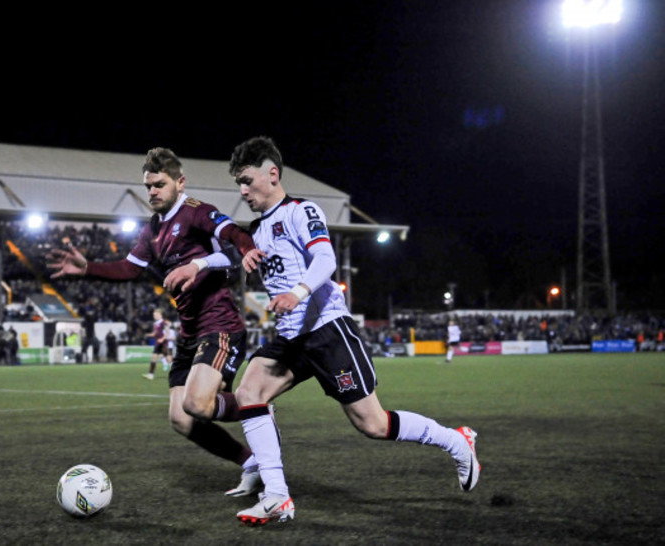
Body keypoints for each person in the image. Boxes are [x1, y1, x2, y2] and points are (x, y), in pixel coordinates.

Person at [228, 136, 481, 526]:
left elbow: (325, 258)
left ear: (272, 174)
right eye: (238, 184)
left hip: (328, 329)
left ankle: (456, 440)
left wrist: (298, 292)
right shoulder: (257, 230)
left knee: (373, 424)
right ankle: (277, 495)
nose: (243, 191)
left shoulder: (300, 210)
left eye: (247, 180)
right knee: (249, 391)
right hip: (293, 335)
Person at [46, 146, 264, 494]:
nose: (152, 192)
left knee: (197, 404)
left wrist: (206, 262)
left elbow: (235, 240)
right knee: (181, 418)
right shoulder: (154, 230)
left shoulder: (197, 213)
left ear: (180, 182)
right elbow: (130, 267)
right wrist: (88, 268)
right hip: (189, 333)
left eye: (159, 184)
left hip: (219, 325)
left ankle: (258, 407)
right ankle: (252, 463)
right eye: (148, 186)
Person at [143, 308, 170, 380]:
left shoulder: (163, 323)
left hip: (163, 343)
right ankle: (150, 375)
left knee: (168, 359)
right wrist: (148, 335)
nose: (154, 316)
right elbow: (155, 333)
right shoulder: (155, 324)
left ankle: (180, 372)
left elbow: (167, 332)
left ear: (160, 315)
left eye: (156, 314)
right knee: (154, 358)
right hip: (158, 343)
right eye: (154, 315)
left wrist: (162, 339)